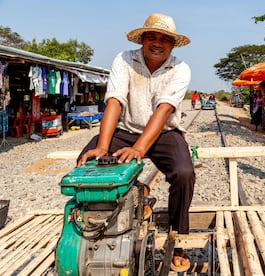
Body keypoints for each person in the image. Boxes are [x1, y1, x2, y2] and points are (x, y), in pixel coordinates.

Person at [76, 13, 194, 272]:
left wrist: (140, 148)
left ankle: (178, 238)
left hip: (165, 132)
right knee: (86, 162)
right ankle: (94, 228)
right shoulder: (124, 59)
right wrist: (103, 147)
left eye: (164, 39)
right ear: (142, 40)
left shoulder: (180, 68)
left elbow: (164, 110)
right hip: (126, 129)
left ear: (172, 45)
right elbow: (115, 101)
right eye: (151, 36)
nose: (157, 43)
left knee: (184, 174)